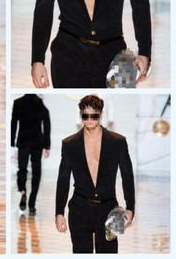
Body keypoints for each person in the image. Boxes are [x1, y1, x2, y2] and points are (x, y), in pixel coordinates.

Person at [55, 94, 135, 253]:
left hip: (109, 209)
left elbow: (127, 176)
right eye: (86, 116)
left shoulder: (118, 142)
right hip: (79, 208)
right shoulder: (69, 144)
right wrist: (59, 212)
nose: (90, 120)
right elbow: (63, 179)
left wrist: (130, 208)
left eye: (94, 115)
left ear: (101, 114)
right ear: (80, 115)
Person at [11, 94, 50, 216]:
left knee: (22, 169)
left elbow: (14, 123)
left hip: (23, 141)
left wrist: (12, 142)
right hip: (37, 142)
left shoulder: (18, 103)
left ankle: (23, 191)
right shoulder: (39, 103)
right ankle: (32, 204)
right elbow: (47, 123)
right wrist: (47, 145)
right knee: (36, 173)